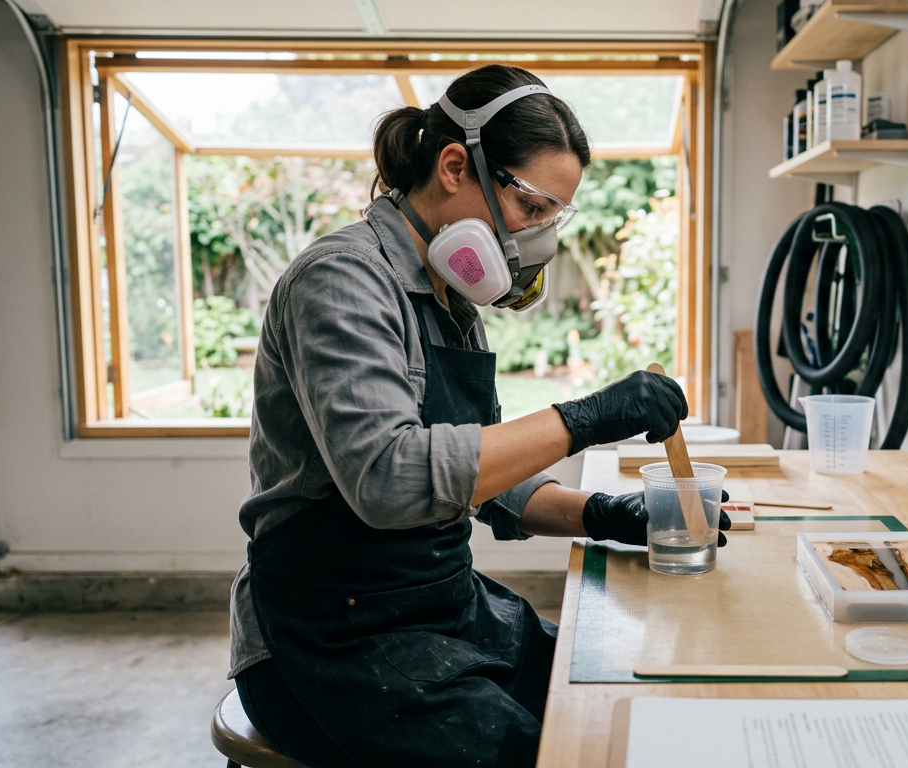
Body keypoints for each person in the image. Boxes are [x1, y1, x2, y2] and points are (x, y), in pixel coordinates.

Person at [226, 64, 730, 768]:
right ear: (456, 165)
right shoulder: (340, 281)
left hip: (441, 610)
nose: (539, 239)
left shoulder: (453, 305)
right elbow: (391, 480)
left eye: (554, 218)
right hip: (327, 636)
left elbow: (480, 476)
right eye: (532, 208)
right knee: (547, 757)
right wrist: (585, 416)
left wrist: (605, 515)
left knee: (613, 694)